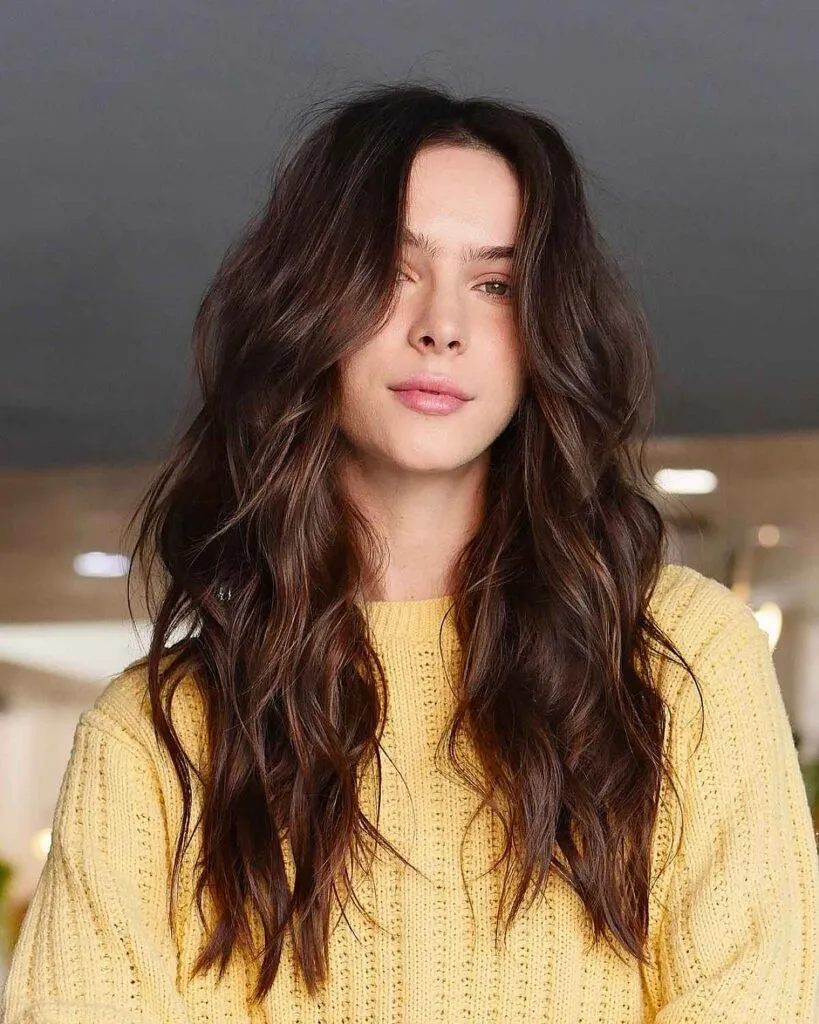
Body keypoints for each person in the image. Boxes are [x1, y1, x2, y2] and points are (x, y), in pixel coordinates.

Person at [3, 82, 818, 1024]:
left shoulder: (681, 659)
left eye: (496, 283)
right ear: (311, 307)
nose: (443, 325)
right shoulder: (156, 738)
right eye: (395, 271)